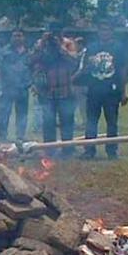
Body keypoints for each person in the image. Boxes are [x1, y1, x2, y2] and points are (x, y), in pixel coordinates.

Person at [78, 19, 128, 160]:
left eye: (107, 29)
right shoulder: (91, 48)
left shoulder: (119, 48)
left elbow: (123, 69)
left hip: (111, 91)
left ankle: (111, 150)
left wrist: (124, 91)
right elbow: (85, 69)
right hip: (94, 90)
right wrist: (83, 85)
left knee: (112, 122)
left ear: (112, 32)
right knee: (91, 121)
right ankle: (89, 150)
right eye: (102, 29)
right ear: (98, 32)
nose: (104, 32)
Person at [29, 22, 78, 158]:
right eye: (52, 31)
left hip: (65, 88)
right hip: (46, 90)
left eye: (57, 31)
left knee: (67, 121)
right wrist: (42, 44)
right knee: (48, 122)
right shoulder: (41, 44)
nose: (54, 34)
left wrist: (60, 47)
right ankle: (49, 150)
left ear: (62, 31)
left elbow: (74, 61)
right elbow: (31, 60)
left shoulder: (68, 43)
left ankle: (67, 150)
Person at [0, 27, 32, 142]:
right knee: (4, 113)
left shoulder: (28, 53)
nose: (17, 38)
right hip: (8, 87)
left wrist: (30, 82)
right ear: (11, 37)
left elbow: (32, 68)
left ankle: (20, 136)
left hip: (23, 88)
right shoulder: (4, 52)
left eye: (20, 35)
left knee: (22, 113)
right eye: (15, 35)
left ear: (24, 37)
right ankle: (2, 136)